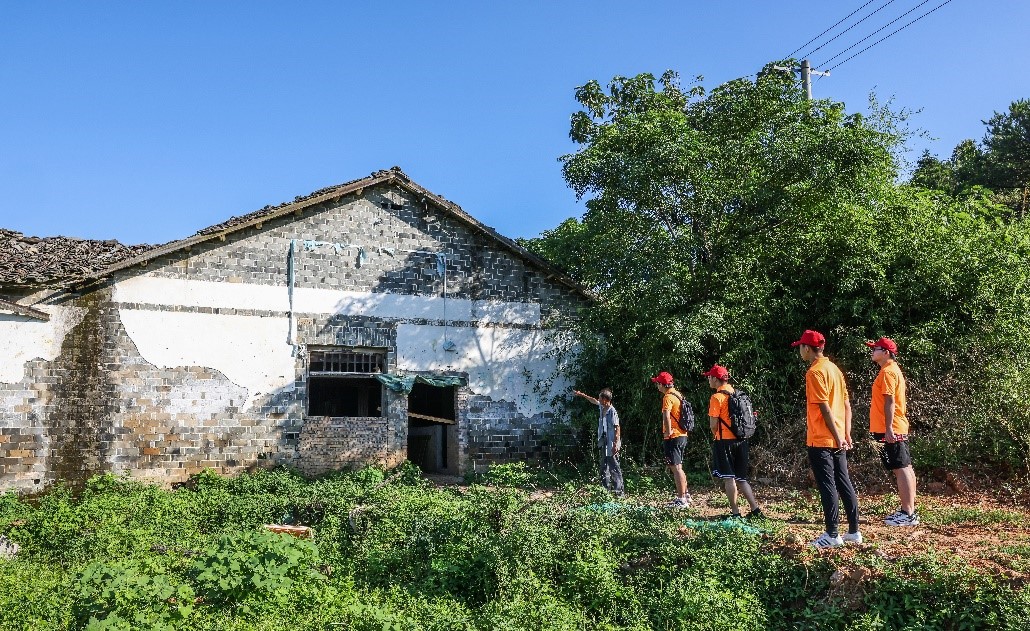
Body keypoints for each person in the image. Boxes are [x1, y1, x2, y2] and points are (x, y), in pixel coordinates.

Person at [792, 330, 862, 548]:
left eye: (801, 347)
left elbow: (824, 408)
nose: (800, 351)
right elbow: (847, 405)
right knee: (843, 481)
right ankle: (854, 532)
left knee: (827, 485)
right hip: (838, 436)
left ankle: (832, 534)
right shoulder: (834, 369)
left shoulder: (815, 372)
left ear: (807, 348)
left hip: (822, 438)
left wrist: (837, 435)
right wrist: (845, 433)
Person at [866, 336, 919, 526]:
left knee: (901, 468)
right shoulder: (891, 370)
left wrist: (888, 428)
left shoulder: (888, 372)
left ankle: (908, 513)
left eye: (876, 349)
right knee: (905, 467)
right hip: (895, 426)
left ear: (886, 352)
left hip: (891, 427)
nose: (872, 351)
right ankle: (909, 510)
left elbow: (890, 401)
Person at [703, 364, 763, 519]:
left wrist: (716, 436)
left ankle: (735, 513)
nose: (708, 379)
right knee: (741, 479)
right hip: (742, 440)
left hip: (725, 442)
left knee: (729, 478)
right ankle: (756, 510)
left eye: (710, 377)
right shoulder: (737, 394)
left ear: (716, 379)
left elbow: (713, 424)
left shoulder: (716, 397)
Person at [572, 388, 624, 496]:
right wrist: (582, 394)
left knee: (614, 466)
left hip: (612, 441)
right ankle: (605, 491)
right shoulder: (602, 407)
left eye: (600, 398)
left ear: (605, 399)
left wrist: (615, 444)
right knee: (604, 466)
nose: (598, 400)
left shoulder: (612, 411)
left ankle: (619, 493)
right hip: (604, 440)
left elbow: (617, 428)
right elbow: (593, 400)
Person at [651, 371, 691, 508]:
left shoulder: (667, 397)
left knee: (676, 467)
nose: (657, 386)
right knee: (679, 466)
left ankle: (681, 500)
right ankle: (685, 495)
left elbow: (666, 416)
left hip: (673, 436)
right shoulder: (678, 394)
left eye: (657, 383)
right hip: (682, 434)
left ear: (662, 385)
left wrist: (667, 433)